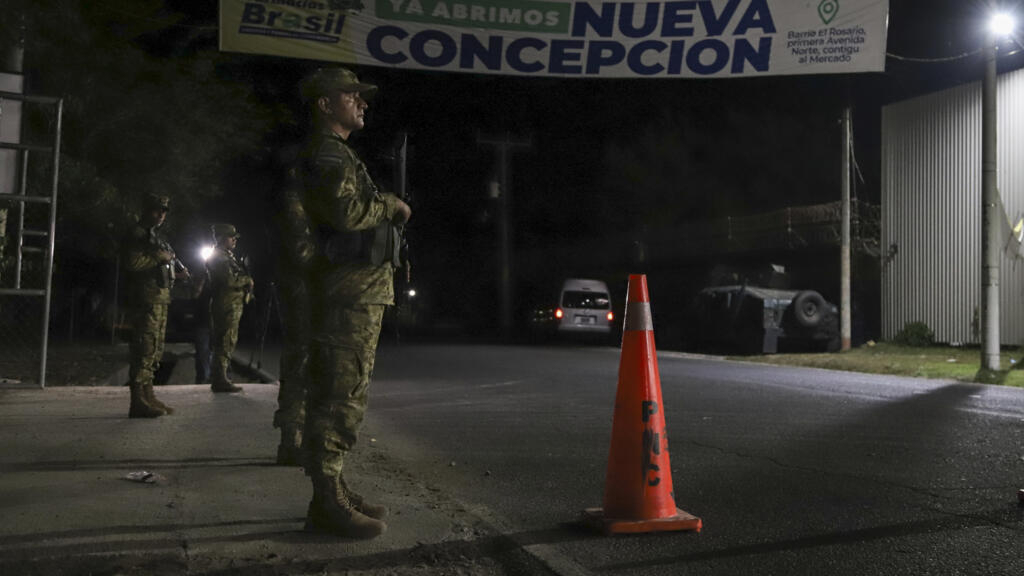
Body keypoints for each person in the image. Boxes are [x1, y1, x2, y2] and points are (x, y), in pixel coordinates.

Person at [296, 67, 411, 539]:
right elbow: (346, 214)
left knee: (347, 393)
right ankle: (326, 502)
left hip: (358, 292)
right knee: (338, 396)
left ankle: (335, 489)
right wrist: (390, 204)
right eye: (352, 96)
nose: (362, 104)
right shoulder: (327, 154)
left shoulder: (340, 154)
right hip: (347, 293)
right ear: (325, 104)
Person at [270, 142, 316, 467]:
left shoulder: (303, 204)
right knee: (299, 366)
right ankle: (290, 440)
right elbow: (302, 252)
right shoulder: (294, 203)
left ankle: (298, 437)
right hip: (301, 293)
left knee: (306, 366)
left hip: (306, 291)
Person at [122, 193, 178, 418]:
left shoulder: (154, 236)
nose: (161, 215)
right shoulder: (136, 235)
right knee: (144, 348)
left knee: (154, 349)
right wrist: (159, 259)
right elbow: (132, 262)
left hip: (158, 298)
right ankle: (137, 401)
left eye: (164, 211)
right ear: (146, 210)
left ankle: (149, 395)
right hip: (145, 299)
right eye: (157, 210)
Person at [206, 223, 253, 393]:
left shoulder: (226, 255)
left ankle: (221, 376)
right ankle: (220, 378)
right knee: (225, 340)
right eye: (230, 237)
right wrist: (246, 281)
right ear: (220, 238)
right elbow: (228, 281)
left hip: (230, 303)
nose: (234, 240)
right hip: (226, 304)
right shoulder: (219, 257)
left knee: (227, 340)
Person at [191, 266, 213, 384]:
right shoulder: (200, 275)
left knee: (218, 350)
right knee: (202, 351)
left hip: (216, 319)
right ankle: (203, 379)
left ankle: (220, 377)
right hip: (202, 320)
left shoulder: (219, 277)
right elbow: (195, 294)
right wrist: (203, 278)